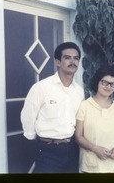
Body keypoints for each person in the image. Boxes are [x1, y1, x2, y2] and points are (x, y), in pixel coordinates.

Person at [20, 42, 85, 173]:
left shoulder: (79, 91)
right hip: (47, 151)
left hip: (72, 149)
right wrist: (36, 139)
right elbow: (28, 116)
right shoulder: (41, 87)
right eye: (67, 57)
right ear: (58, 62)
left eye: (76, 58)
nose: (73, 61)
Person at [75, 66, 114, 173]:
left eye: (112, 84)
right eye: (105, 82)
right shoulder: (85, 106)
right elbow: (78, 137)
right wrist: (94, 148)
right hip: (94, 166)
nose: (108, 87)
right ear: (97, 82)